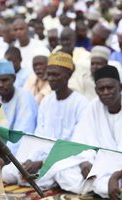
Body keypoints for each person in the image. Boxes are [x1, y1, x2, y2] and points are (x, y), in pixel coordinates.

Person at [41, 65, 122, 195]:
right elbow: (82, 141)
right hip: (100, 163)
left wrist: (116, 175)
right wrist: (85, 162)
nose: (106, 92)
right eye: (101, 89)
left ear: (120, 87)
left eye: (110, 88)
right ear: (96, 91)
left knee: (102, 185)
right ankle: (99, 187)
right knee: (62, 170)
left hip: (118, 169)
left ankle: (101, 186)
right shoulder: (94, 106)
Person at [24, 52, 88, 175]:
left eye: (55, 75)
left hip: (66, 159)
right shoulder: (46, 101)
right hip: (42, 156)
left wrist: (43, 163)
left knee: (64, 175)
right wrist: (31, 159)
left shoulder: (81, 103)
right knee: (10, 171)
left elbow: (77, 144)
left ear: (68, 75)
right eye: (49, 74)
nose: (51, 79)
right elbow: (39, 136)